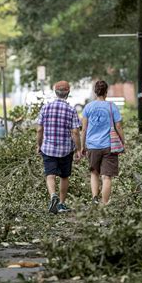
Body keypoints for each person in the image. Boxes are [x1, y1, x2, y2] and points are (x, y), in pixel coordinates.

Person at [37, 80, 82, 214]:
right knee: (64, 176)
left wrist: (39, 145)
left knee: (50, 174)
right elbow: (75, 132)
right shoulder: (71, 109)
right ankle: (61, 204)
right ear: (68, 92)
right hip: (65, 149)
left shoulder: (46, 108)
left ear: (55, 92)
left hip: (48, 148)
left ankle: (52, 196)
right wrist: (78, 149)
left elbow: (39, 129)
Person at [81, 80, 125, 205]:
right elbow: (119, 127)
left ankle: (95, 198)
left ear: (95, 92)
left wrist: (82, 146)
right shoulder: (112, 106)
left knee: (94, 173)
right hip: (109, 146)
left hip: (92, 146)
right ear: (106, 92)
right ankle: (104, 204)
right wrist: (123, 142)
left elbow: (84, 129)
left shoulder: (88, 107)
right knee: (107, 177)